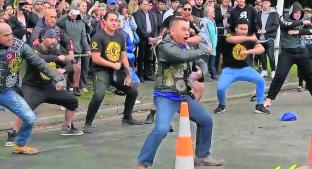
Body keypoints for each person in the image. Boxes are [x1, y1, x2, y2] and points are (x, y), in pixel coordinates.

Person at [136, 17, 224, 169]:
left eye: (188, 29)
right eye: (183, 29)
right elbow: (182, 56)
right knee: (161, 129)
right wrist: (203, 50)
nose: (187, 32)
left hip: (183, 96)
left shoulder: (186, 46)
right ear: (172, 31)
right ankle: (143, 163)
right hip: (165, 96)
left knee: (206, 120)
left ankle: (202, 156)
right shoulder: (164, 46)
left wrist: (199, 75)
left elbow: (200, 65)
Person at [5, 27, 84, 147]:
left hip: (49, 87)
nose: (54, 41)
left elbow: (69, 64)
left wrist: (63, 69)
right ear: (43, 38)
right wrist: (57, 58)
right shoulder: (34, 50)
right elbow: (38, 59)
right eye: (51, 38)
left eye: (56, 38)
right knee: (25, 108)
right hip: (32, 87)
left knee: (72, 101)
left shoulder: (54, 51)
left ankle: (67, 127)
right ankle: (13, 133)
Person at [0, 23, 65, 154]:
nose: (10, 38)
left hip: (7, 91)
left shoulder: (19, 46)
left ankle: (20, 145)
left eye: (11, 34)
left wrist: (57, 77)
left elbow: (38, 62)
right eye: (6, 35)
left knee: (29, 117)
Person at [84, 12, 143, 134]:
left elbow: (124, 57)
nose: (115, 22)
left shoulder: (120, 36)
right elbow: (95, 58)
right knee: (99, 94)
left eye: (116, 20)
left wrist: (127, 74)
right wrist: (112, 65)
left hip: (116, 71)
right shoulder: (98, 36)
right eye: (111, 20)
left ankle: (127, 118)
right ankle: (88, 122)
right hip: (101, 71)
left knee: (132, 91)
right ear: (104, 21)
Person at [213, 18, 270, 114]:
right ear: (236, 28)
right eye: (241, 29)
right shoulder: (229, 35)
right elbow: (232, 40)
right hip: (229, 70)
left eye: (245, 29)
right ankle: (222, 105)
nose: (244, 31)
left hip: (245, 68)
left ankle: (259, 106)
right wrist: (250, 38)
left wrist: (248, 51)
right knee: (220, 88)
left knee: (260, 81)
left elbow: (261, 49)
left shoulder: (250, 39)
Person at [264, 2, 312, 108]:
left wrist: (299, 31)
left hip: (302, 52)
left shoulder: (303, 20)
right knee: (280, 75)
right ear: (291, 12)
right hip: (287, 53)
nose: (298, 14)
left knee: (310, 74)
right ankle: (269, 99)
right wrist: (302, 22)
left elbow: (310, 30)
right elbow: (285, 24)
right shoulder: (284, 18)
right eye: (296, 12)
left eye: (300, 13)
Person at [133, 0, 158, 81]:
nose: (146, 6)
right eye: (144, 4)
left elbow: (154, 26)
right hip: (142, 39)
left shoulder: (151, 14)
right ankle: (140, 74)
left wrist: (154, 37)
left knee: (149, 57)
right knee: (141, 57)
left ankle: (147, 74)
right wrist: (148, 38)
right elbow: (140, 28)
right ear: (140, 5)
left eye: (147, 4)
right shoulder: (137, 14)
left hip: (151, 38)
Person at [255, 0, 279, 78]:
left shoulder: (274, 13)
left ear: (269, 4)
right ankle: (264, 70)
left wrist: (266, 31)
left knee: (271, 55)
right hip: (260, 38)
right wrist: (258, 29)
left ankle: (273, 70)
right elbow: (256, 23)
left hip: (270, 37)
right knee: (262, 55)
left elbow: (276, 25)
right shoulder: (259, 13)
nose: (264, 5)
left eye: (266, 3)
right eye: (263, 3)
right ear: (261, 3)